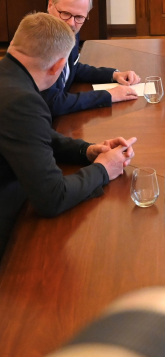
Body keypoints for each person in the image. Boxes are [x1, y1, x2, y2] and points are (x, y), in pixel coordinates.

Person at [0, 13, 136, 257]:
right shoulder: (23, 101)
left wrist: (87, 150)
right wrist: (104, 169)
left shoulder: (8, 79)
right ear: (58, 66)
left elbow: (34, 135)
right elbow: (52, 198)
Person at [42, 0, 140, 116]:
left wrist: (114, 75)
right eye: (65, 14)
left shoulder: (71, 30)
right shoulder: (39, 45)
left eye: (79, 17)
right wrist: (108, 95)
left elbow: (72, 68)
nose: (71, 23)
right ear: (50, 5)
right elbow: (53, 103)